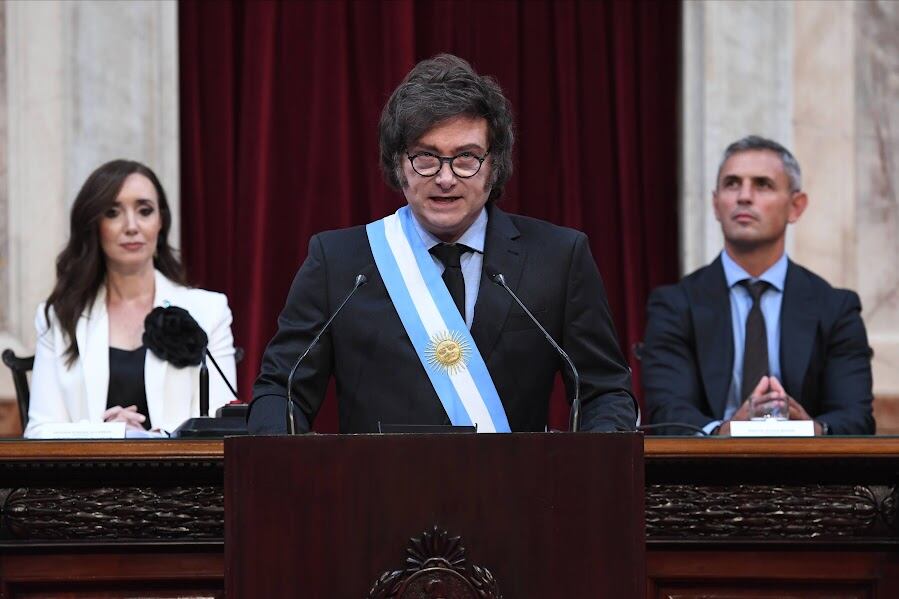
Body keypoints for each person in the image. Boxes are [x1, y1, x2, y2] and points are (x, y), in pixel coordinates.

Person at [249, 54, 635, 434]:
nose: (446, 178)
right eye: (426, 158)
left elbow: (603, 392)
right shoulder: (339, 263)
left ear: (494, 165)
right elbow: (281, 392)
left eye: (466, 158)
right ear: (398, 164)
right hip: (373, 493)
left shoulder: (558, 258)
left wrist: (592, 470)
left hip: (516, 494)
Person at [642, 136, 874, 436]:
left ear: (796, 206)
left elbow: (856, 418)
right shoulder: (674, 305)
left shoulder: (836, 308)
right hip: (704, 474)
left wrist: (812, 430)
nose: (744, 196)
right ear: (715, 204)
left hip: (809, 473)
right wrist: (724, 431)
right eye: (732, 184)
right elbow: (667, 411)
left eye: (762, 184)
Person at [25, 160, 237, 438]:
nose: (131, 226)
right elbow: (39, 431)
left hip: (183, 479)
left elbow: (222, 427)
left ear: (161, 221)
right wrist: (110, 433)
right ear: (94, 225)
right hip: (84, 479)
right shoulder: (60, 316)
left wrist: (151, 439)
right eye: (113, 212)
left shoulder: (208, 311)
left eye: (145, 211)